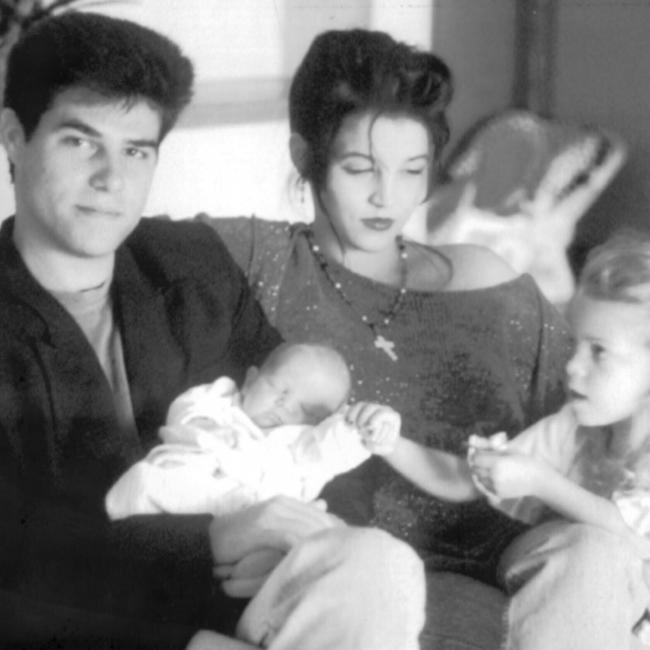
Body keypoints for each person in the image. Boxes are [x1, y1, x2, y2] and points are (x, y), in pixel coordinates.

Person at [202, 28, 646, 649]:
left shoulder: (493, 283)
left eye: (413, 170)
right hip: (357, 580)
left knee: (598, 554)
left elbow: (609, 404)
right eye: (361, 169)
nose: (390, 197)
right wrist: (234, 532)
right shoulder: (252, 263)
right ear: (305, 158)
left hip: (523, 574)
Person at [0, 13, 426, 650]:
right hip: (91, 632)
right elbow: (22, 558)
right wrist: (215, 541)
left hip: (242, 601)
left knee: (381, 567)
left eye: (136, 150)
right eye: (80, 141)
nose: (111, 179)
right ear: (13, 136)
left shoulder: (189, 262)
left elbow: (315, 420)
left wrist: (295, 525)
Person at [106, 342, 399, 519]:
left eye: (308, 411)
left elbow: (338, 445)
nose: (285, 407)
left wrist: (372, 424)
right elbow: (187, 410)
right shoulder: (221, 401)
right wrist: (205, 428)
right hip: (199, 489)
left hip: (263, 522)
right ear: (249, 380)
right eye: (280, 388)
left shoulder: (303, 443)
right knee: (149, 480)